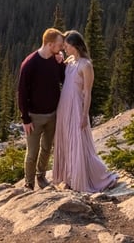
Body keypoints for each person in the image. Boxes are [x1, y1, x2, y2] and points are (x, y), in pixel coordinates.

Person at [52, 30, 118, 192]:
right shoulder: (70, 61)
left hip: (76, 108)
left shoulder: (86, 65)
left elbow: (88, 92)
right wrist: (60, 60)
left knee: (79, 144)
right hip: (64, 107)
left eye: (66, 46)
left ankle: (93, 178)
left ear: (74, 45)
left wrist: (84, 115)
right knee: (67, 142)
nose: (64, 49)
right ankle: (69, 177)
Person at [17, 27, 66, 190]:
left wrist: (62, 63)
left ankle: (41, 176)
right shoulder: (30, 64)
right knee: (32, 153)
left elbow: (63, 79)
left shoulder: (55, 60)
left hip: (52, 114)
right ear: (50, 44)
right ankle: (29, 183)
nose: (62, 47)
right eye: (59, 44)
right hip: (34, 116)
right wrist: (25, 118)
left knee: (46, 148)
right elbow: (22, 92)